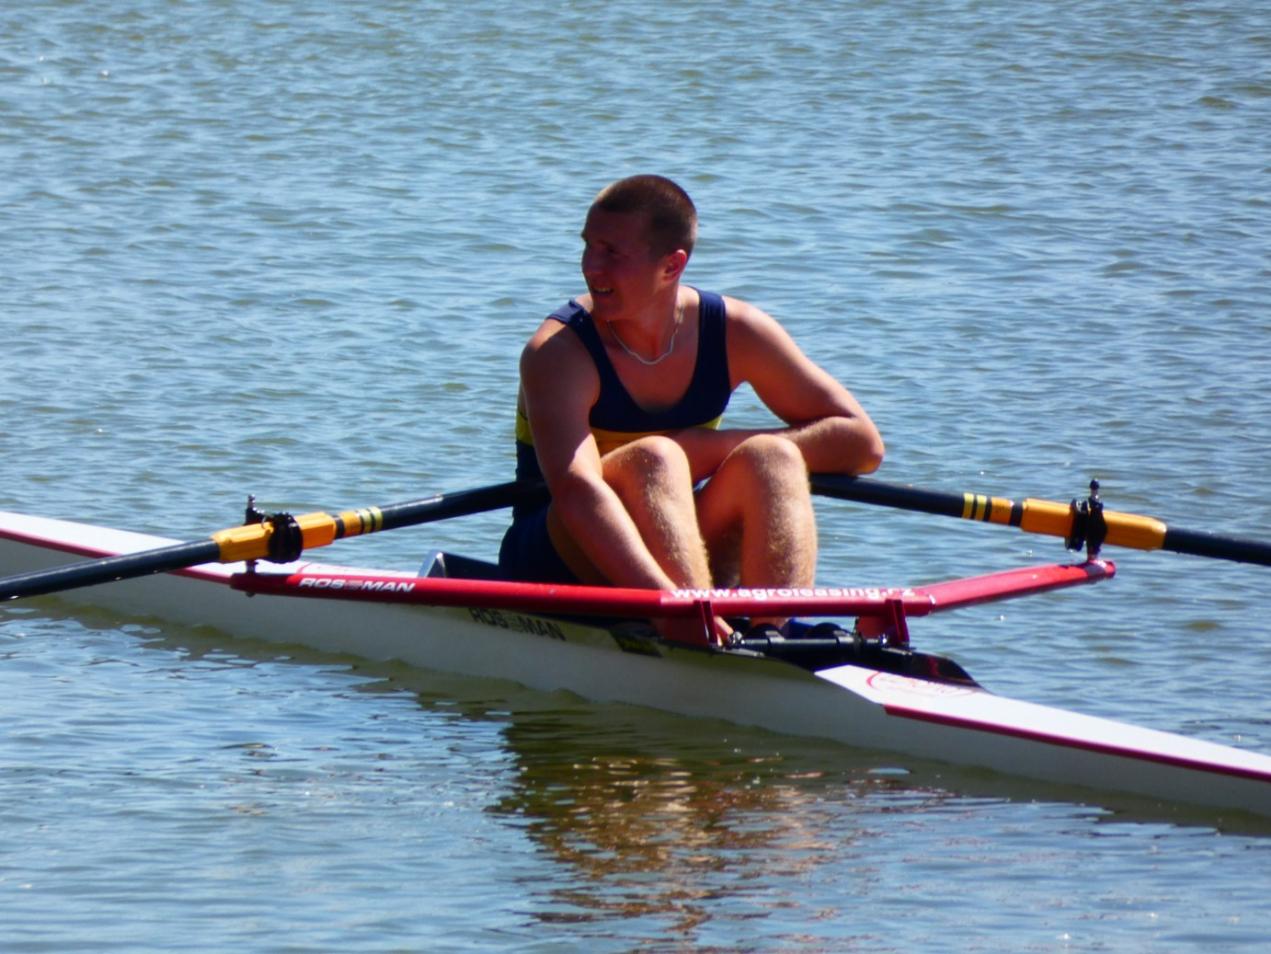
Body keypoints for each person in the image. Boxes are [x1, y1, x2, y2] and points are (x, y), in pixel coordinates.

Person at [499, 174, 884, 643]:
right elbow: (577, 491)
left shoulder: (735, 331)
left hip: (675, 547)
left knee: (775, 457)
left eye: (612, 252)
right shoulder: (559, 352)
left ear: (672, 265)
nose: (590, 267)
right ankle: (692, 623)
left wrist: (705, 447)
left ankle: (771, 633)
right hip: (559, 557)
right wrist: (672, 606)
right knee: (657, 457)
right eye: (588, 246)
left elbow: (861, 443)